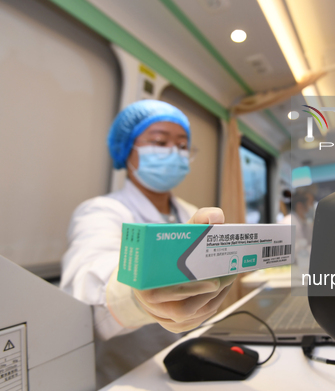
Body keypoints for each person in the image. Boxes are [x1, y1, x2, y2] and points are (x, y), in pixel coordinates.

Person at [60, 100, 235, 387]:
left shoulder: (193, 214)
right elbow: (88, 275)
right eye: (159, 142)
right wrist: (136, 294)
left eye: (181, 146)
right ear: (127, 150)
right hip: (130, 373)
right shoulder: (100, 212)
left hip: (193, 365)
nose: (173, 152)